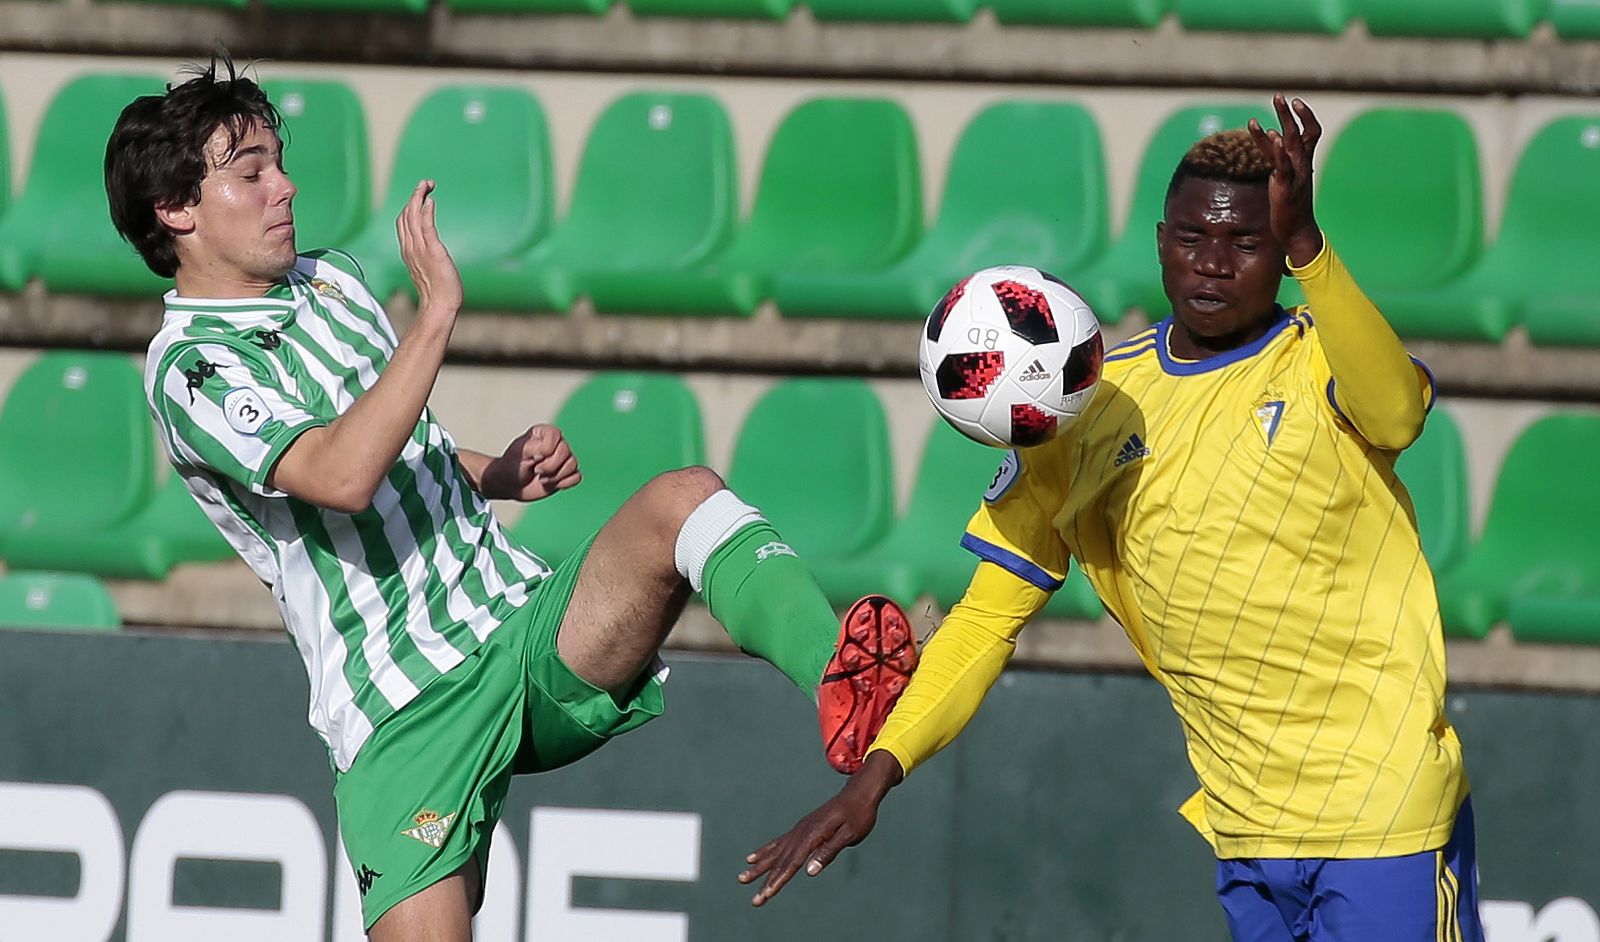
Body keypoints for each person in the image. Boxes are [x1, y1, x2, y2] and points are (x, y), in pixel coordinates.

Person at [104, 57, 917, 941]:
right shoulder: (194, 367)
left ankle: (845, 681)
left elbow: (394, 436)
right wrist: (436, 317)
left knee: (686, 501)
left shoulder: (331, 278)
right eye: (251, 172)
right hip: (402, 708)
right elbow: (339, 474)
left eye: (280, 162)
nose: (285, 187)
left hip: (518, 628)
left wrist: (494, 473)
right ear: (176, 210)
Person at [742, 95, 1483, 942]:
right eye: (1193, 238)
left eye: (1247, 243)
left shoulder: (1321, 361)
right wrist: (874, 778)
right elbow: (985, 618)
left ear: (1281, 253)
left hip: (1384, 809)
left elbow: (1397, 414)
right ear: (1161, 244)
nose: (1214, 263)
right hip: (1245, 830)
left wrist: (1311, 245)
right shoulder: (1083, 407)